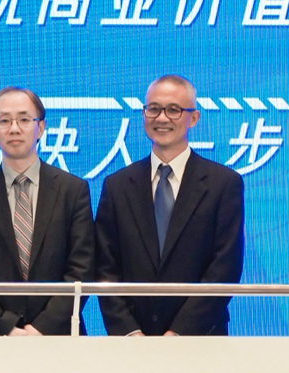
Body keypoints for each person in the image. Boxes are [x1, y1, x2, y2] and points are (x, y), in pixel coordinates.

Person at [95, 74, 244, 336]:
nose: (162, 118)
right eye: (153, 109)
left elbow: (225, 267)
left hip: (201, 339)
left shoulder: (223, 184)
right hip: (132, 343)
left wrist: (179, 332)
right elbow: (105, 266)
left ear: (193, 118)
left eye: (174, 110)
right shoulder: (117, 185)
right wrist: (129, 331)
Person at [0, 87, 95, 335]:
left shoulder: (73, 190)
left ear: (40, 127)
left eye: (24, 119)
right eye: (4, 121)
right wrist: (6, 327)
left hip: (60, 336)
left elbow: (81, 269)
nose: (14, 128)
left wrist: (42, 328)